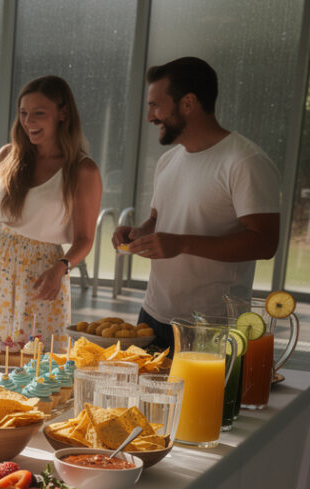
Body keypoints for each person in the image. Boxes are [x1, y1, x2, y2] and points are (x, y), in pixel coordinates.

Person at [114, 56, 280, 350]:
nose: (150, 116)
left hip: (212, 328)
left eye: (155, 105)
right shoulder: (168, 160)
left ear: (188, 103)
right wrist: (139, 233)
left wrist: (182, 244)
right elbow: (158, 218)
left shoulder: (245, 161)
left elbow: (265, 242)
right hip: (152, 315)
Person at [0, 75, 102, 344]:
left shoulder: (82, 170)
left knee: (38, 369)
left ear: (63, 113)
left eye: (39, 114)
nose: (28, 122)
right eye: (23, 113)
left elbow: (85, 239)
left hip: (43, 275)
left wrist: (60, 268)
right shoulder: (8, 155)